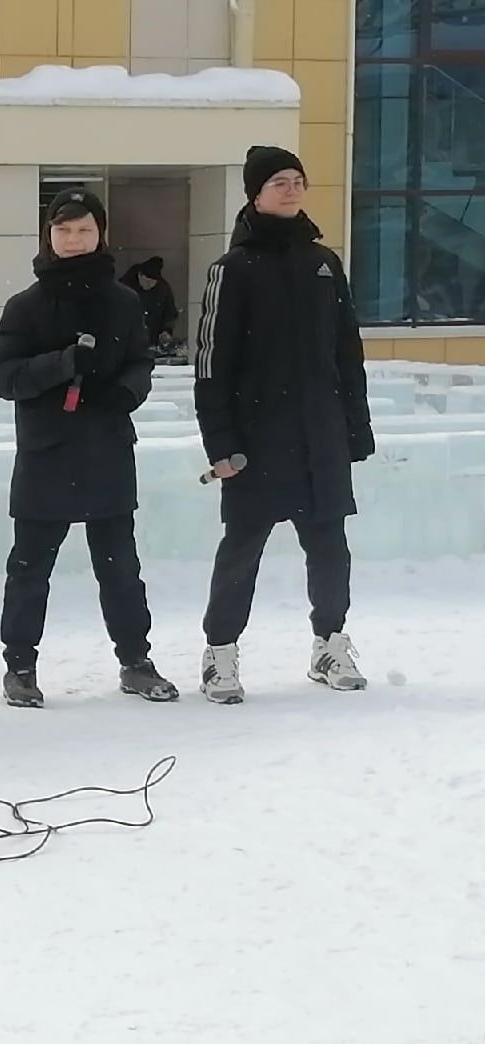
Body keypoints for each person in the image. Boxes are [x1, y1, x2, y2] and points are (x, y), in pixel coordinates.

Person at [0, 188, 177, 708]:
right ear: (49, 235)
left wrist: (125, 393)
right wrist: (63, 362)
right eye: (64, 230)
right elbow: (0, 375)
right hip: (47, 454)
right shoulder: (25, 306)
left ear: (101, 235)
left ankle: (135, 661)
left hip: (107, 451)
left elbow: (141, 362)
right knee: (29, 569)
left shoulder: (124, 301)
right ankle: (20, 667)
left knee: (119, 567)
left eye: (84, 229)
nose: (74, 240)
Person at [194, 146, 373, 703]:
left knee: (330, 550)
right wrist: (220, 444)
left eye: (298, 179)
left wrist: (355, 428)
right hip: (255, 442)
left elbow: (348, 351)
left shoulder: (325, 262)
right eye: (278, 182)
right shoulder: (232, 269)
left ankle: (329, 644)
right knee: (241, 551)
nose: (291, 189)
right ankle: (219, 653)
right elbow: (210, 366)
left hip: (319, 436)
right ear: (254, 193)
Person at [121, 256, 180, 350]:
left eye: (152, 283)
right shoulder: (125, 287)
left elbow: (170, 313)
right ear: (140, 275)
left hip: (153, 341)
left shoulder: (163, 289)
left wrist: (166, 331)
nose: (149, 285)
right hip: (128, 340)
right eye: (147, 281)